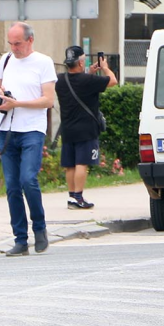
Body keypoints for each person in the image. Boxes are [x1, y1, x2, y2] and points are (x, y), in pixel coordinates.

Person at [0, 22, 59, 256]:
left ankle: (39, 228)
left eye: (17, 43)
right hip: (6, 129)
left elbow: (48, 100)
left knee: (28, 179)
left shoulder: (43, 62)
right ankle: (20, 240)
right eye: (10, 43)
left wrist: (17, 103)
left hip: (32, 129)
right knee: (12, 187)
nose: (14, 48)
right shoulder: (6, 59)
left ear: (30, 40)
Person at [55, 46, 116, 209]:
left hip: (67, 129)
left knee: (70, 164)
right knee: (82, 162)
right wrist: (105, 68)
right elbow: (113, 81)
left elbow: (77, 84)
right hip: (86, 130)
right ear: (81, 63)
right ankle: (79, 197)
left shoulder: (60, 81)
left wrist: (88, 72)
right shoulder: (88, 81)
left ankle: (71, 197)